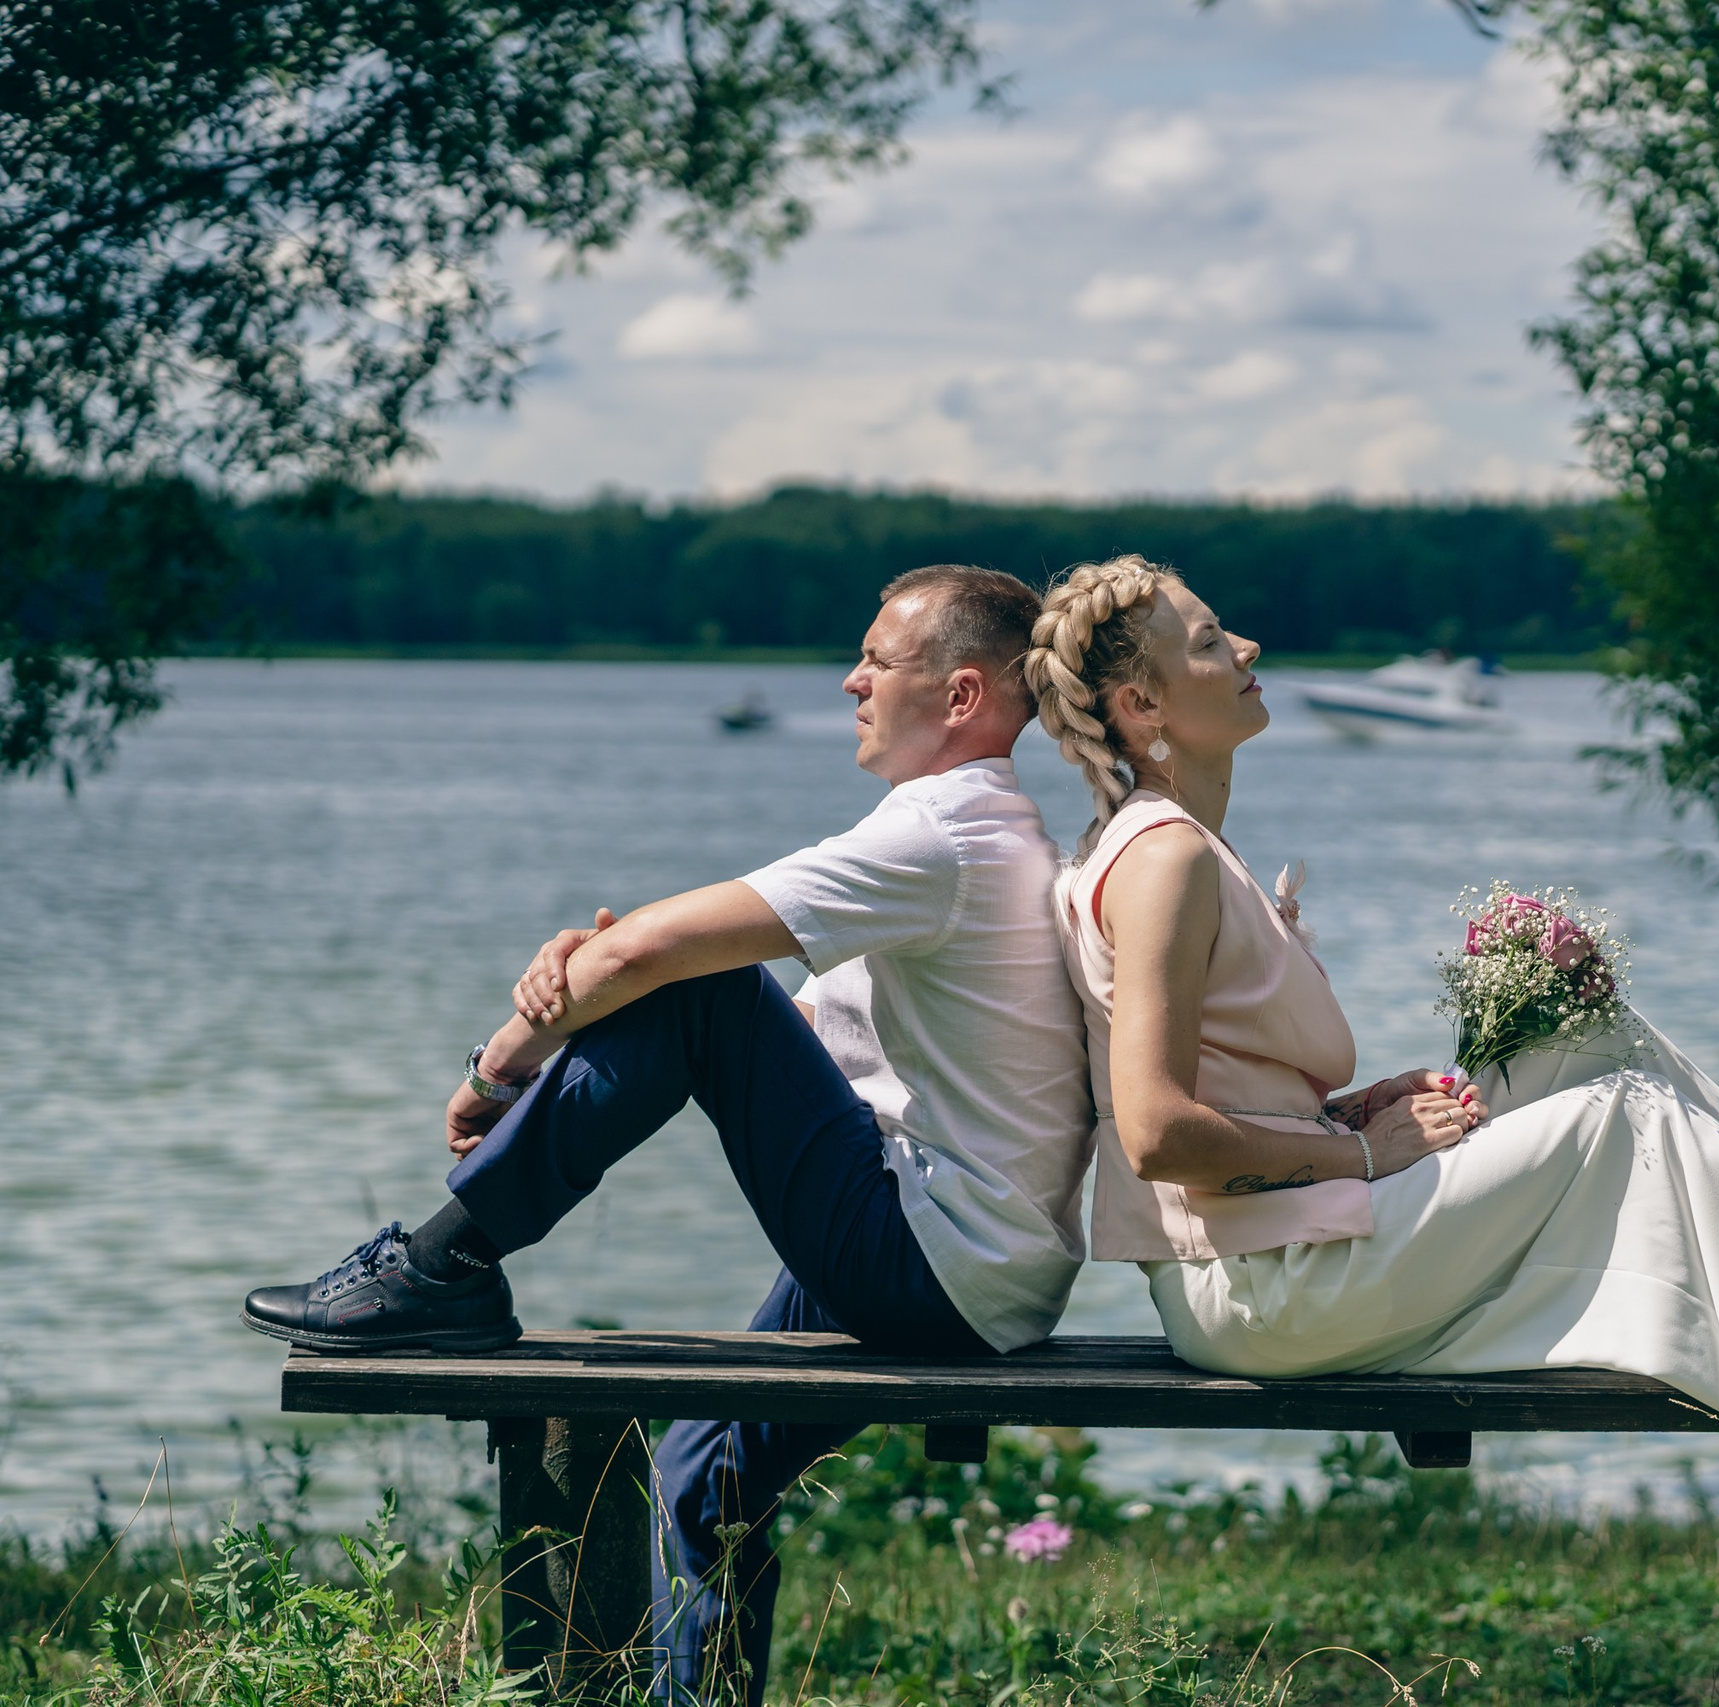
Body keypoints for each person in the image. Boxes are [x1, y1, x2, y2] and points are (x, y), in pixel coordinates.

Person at [1025, 555, 1719, 1474]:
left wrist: (1350, 1113)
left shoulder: (1179, 850)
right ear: (1143, 706)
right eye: (1214, 642)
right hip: (1261, 1294)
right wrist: (1355, 1155)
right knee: (1619, 1117)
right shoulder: (1163, 861)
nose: (1248, 650)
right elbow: (1157, 1135)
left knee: (1585, 1039)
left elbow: (1220, 1086)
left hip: (1289, 1238)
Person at [240, 565, 1092, 1704]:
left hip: (932, 1263)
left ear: (959, 696)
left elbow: (681, 973)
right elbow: (750, 1026)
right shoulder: (976, 834)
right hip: (961, 1256)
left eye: (876, 663)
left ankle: (442, 1264)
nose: (850, 680)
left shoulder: (937, 837)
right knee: (704, 1466)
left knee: (703, 985)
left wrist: (504, 1063)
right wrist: (596, 973)